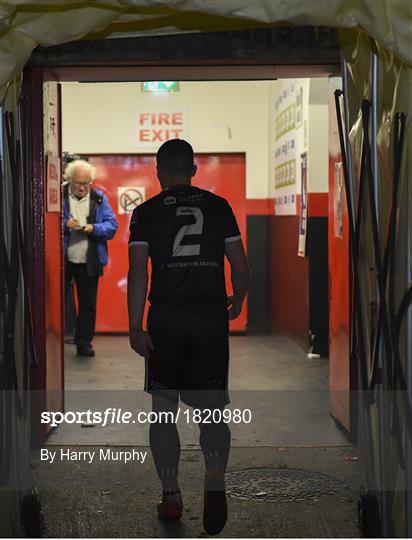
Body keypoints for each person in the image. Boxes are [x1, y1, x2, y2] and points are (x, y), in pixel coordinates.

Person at [127, 139, 249, 535]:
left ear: (159, 171)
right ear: (193, 169)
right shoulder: (219, 207)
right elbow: (240, 266)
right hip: (209, 320)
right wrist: (239, 297)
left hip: (167, 322)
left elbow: (139, 274)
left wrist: (135, 326)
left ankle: (172, 495)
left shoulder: (145, 214)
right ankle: (214, 478)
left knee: (163, 412)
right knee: (212, 412)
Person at [63, 159, 118, 357]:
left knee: (88, 305)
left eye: (85, 183)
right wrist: (64, 223)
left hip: (90, 260)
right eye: (77, 182)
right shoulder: (59, 195)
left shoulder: (99, 198)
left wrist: (93, 228)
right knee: (55, 303)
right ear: (69, 180)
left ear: (91, 182)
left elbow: (112, 226)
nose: (81, 187)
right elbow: (48, 218)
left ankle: (83, 343)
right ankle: (53, 341)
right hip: (63, 260)